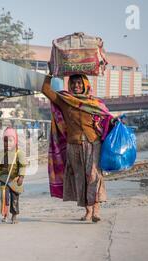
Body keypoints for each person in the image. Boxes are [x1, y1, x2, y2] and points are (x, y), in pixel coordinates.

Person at [42, 65, 113, 223]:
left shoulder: (95, 103)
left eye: (79, 83)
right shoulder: (65, 101)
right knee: (80, 178)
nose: (76, 86)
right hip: (73, 145)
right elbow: (46, 90)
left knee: (94, 176)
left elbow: (107, 117)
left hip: (93, 144)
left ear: (86, 85)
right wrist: (50, 73)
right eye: (73, 83)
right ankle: (87, 211)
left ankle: (96, 209)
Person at [0, 128, 26, 224]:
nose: (7, 143)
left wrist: (21, 176)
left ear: (15, 141)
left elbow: (23, 165)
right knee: (4, 197)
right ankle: (5, 214)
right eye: (5, 141)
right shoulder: (1, 153)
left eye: (10, 140)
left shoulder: (19, 153)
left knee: (14, 198)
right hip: (3, 179)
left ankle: (14, 216)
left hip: (15, 180)